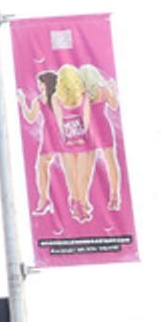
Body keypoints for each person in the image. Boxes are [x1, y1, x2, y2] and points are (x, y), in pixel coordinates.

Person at [54, 64, 93, 222]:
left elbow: (59, 121)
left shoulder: (56, 98)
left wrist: (65, 138)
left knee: (71, 175)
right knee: (82, 175)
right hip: (82, 138)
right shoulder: (83, 96)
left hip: (66, 140)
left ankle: (77, 202)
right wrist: (83, 135)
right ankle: (82, 204)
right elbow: (86, 118)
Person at [80, 63, 122, 211]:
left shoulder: (81, 94)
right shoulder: (103, 90)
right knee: (111, 162)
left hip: (89, 129)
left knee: (87, 166)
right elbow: (114, 105)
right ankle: (115, 196)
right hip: (103, 126)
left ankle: (84, 201)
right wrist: (113, 90)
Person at [16, 70, 59, 215]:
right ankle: (44, 199)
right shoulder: (40, 100)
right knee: (41, 166)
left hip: (61, 131)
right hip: (49, 133)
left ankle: (47, 200)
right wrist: (22, 102)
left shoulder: (58, 97)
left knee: (66, 165)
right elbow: (30, 117)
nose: (39, 86)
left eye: (41, 83)